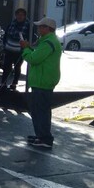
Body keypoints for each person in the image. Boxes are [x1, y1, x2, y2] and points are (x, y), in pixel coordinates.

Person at [20, 17, 62, 149]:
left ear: (47, 29)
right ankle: (41, 135)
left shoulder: (48, 42)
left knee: (40, 111)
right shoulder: (48, 42)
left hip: (43, 81)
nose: (38, 29)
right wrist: (29, 49)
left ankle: (45, 137)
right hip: (42, 80)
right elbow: (38, 55)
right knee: (39, 110)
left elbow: (34, 59)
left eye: (41, 27)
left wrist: (25, 49)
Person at [2, 8, 30, 90]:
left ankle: (14, 83)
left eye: (22, 15)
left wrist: (26, 46)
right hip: (9, 49)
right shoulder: (12, 23)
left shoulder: (28, 25)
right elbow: (6, 34)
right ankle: (3, 83)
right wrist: (5, 44)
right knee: (6, 67)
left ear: (25, 16)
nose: (19, 16)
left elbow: (30, 37)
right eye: (18, 14)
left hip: (19, 51)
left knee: (17, 67)